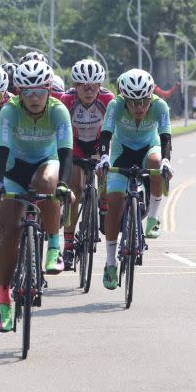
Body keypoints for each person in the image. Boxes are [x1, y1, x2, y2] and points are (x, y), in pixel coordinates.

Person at [0, 59, 73, 332]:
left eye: (40, 91)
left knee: (47, 183)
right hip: (14, 169)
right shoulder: (9, 111)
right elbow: (0, 149)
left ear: (49, 90)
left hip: (46, 163)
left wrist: (63, 184)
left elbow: (66, 152)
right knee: (9, 235)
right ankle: (3, 300)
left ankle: (54, 246)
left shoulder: (58, 111)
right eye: (27, 92)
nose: (34, 98)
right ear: (18, 91)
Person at [96, 69, 174, 290]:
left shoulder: (160, 106)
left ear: (151, 97)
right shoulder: (115, 105)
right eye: (133, 102)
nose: (139, 107)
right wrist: (103, 157)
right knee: (114, 204)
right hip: (122, 151)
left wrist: (167, 161)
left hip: (149, 148)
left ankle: (152, 218)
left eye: (144, 101)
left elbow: (165, 136)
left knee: (157, 163)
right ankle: (110, 262)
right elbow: (106, 134)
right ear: (125, 99)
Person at [59, 59, 113, 270]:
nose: (89, 90)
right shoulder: (66, 100)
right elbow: (61, 132)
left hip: (99, 144)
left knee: (106, 174)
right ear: (75, 86)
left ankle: (104, 206)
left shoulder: (108, 99)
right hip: (75, 145)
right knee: (74, 190)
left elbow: (114, 131)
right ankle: (69, 245)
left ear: (100, 85)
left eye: (94, 85)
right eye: (83, 85)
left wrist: (106, 155)